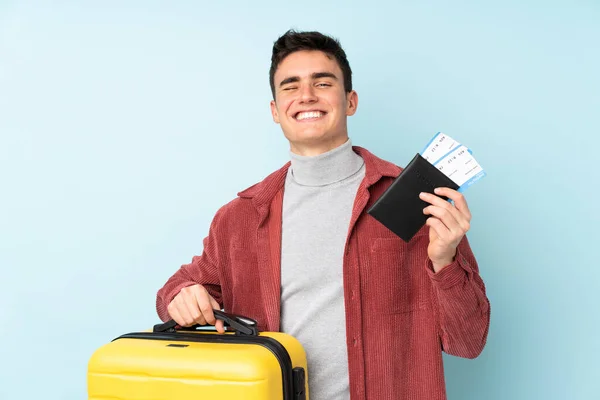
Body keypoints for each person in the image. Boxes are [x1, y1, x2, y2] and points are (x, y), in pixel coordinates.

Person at [155, 29, 490, 400]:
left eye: (322, 82)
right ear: (275, 110)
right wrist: (183, 294)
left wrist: (445, 261)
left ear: (350, 101)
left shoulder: (418, 200)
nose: (306, 96)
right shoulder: (239, 218)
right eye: (290, 86)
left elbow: (468, 342)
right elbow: (178, 289)